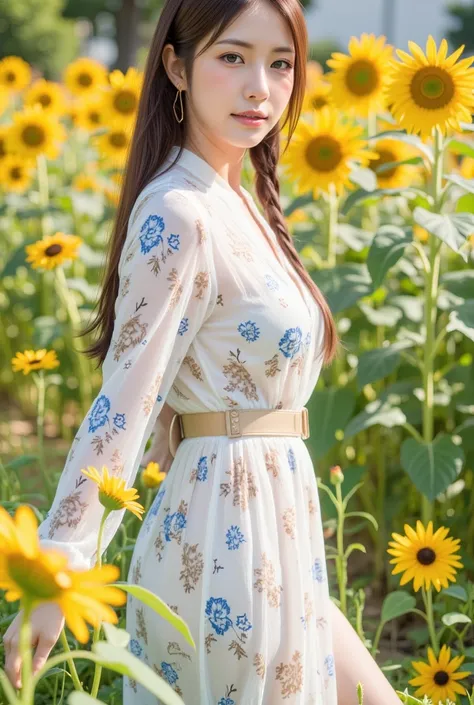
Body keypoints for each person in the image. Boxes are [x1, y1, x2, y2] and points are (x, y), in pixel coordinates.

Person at [2, 0, 404, 703]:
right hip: (226, 532)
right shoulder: (177, 211)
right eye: (232, 57)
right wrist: (58, 569)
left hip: (279, 524)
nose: (260, 87)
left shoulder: (239, 201)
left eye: (281, 64)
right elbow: (125, 401)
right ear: (175, 66)